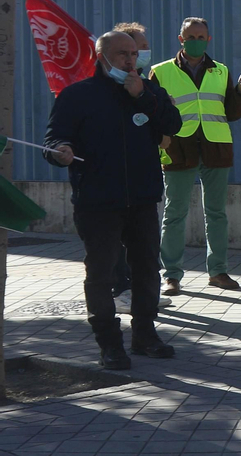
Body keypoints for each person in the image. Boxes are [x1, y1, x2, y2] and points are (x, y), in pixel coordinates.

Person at [44, 30, 183, 369]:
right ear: (101, 57)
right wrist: (61, 150)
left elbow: (173, 124)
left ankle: (145, 335)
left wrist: (142, 97)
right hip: (97, 200)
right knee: (101, 274)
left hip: (142, 197)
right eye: (123, 54)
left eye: (134, 54)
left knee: (147, 270)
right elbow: (53, 139)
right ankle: (109, 343)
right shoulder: (78, 95)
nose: (130, 60)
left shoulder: (148, 90)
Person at [150, 17, 241, 295]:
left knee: (217, 213)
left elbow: (232, 113)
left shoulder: (221, 71)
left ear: (208, 40)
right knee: (174, 213)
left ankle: (218, 271)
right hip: (178, 148)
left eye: (200, 37)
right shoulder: (160, 71)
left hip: (215, 147)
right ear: (180, 39)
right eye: (190, 37)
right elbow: (152, 112)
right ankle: (171, 275)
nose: (196, 41)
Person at [107, 21, 173, 313]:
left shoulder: (149, 87)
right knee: (116, 242)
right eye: (136, 49)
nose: (141, 54)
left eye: (143, 49)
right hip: (113, 182)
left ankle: (144, 292)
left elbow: (167, 134)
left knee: (144, 243)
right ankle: (120, 290)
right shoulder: (108, 89)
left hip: (144, 180)